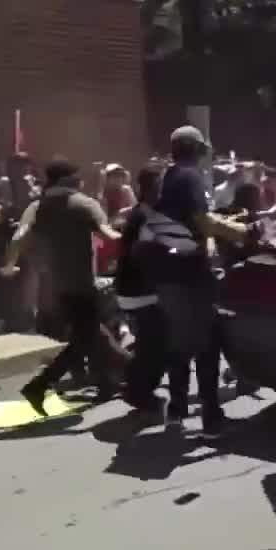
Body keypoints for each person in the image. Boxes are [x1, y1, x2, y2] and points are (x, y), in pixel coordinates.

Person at [147, 126, 259, 437]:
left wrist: (226, 222)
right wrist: (242, 232)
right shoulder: (190, 177)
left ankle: (177, 410)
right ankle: (211, 418)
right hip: (190, 275)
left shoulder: (166, 178)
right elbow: (202, 221)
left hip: (167, 274)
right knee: (207, 344)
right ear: (198, 149)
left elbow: (193, 223)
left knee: (180, 343)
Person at [4, 160, 123, 414]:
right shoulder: (83, 204)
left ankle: (105, 383)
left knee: (89, 337)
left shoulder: (38, 207)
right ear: (71, 181)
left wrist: (9, 265)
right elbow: (109, 234)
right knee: (91, 338)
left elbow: (18, 237)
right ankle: (39, 386)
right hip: (83, 284)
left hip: (58, 287)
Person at [114, 166, 167, 412]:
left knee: (152, 342)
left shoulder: (142, 214)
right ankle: (138, 391)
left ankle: (138, 387)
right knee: (154, 344)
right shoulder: (145, 218)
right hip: (140, 291)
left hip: (135, 290)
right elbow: (146, 254)